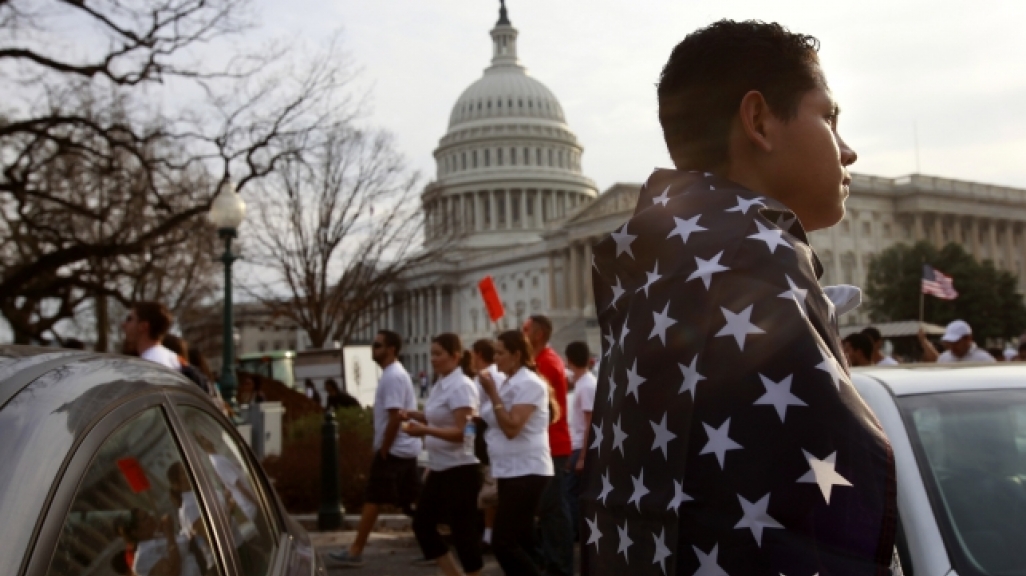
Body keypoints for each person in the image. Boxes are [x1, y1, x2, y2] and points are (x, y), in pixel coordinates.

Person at [583, 20, 898, 574]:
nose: (848, 152)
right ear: (758, 121)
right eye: (828, 117)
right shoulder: (756, 254)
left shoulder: (652, 266)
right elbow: (840, 486)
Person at [328, 330, 421, 568]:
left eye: (378, 345)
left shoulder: (392, 376)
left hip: (394, 451)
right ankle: (432, 544)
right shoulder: (396, 374)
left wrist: (383, 448)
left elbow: (395, 417)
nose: (373, 348)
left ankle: (356, 550)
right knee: (411, 501)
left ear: (390, 349)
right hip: (404, 449)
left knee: (373, 498)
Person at [400, 333, 482, 576]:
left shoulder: (462, 387)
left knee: (463, 531)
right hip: (440, 467)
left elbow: (465, 433)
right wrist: (414, 415)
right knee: (422, 525)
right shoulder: (440, 384)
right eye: (431, 354)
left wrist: (425, 431)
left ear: (455, 356)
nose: (433, 359)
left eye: (438, 354)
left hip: (460, 468)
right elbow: (437, 417)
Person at [478, 330, 554, 576]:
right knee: (520, 541)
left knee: (503, 542)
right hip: (510, 469)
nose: (495, 358)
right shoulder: (510, 381)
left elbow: (511, 427)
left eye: (500, 353)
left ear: (516, 355)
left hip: (527, 469)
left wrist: (492, 394)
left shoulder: (529, 384)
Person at [521, 315, 573, 576]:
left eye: (525, 329)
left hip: (553, 444)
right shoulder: (540, 362)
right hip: (546, 443)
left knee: (553, 509)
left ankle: (560, 564)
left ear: (537, 335)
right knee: (548, 507)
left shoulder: (547, 364)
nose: (522, 333)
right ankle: (552, 560)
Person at [471, 338, 506, 550]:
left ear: (479, 354)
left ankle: (489, 534)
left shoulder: (484, 376)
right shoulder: (498, 374)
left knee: (490, 487)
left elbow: (475, 408)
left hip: (488, 433)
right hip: (494, 433)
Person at [563, 341, 595, 543]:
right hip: (577, 447)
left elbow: (589, 422)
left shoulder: (586, 386)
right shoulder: (584, 383)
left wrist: (583, 455)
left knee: (569, 494)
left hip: (580, 448)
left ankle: (576, 532)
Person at [122, 302, 180, 369]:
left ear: (143, 326)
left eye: (129, 319)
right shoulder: (172, 357)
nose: (123, 325)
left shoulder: (151, 363)